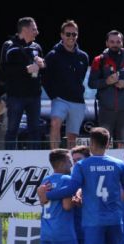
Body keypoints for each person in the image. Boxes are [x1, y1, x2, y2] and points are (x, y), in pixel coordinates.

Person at [89, 30, 124, 148]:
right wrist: (106, 82)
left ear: (122, 43)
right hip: (105, 110)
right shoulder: (99, 60)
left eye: (118, 42)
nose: (115, 44)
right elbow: (91, 83)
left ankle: (122, 167)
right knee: (104, 145)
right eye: (112, 42)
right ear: (107, 43)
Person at [44, 20, 89, 149]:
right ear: (62, 35)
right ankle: (55, 154)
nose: (71, 37)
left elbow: (81, 78)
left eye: (74, 34)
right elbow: (45, 78)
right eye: (68, 34)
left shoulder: (83, 57)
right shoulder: (53, 55)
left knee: (72, 136)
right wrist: (53, 95)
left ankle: (71, 160)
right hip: (60, 99)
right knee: (55, 123)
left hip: (78, 101)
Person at [3, 17, 45, 150]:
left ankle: (35, 158)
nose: (37, 32)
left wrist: (42, 65)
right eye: (34, 29)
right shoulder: (9, 46)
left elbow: (43, 69)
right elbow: (4, 69)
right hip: (16, 96)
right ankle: (9, 158)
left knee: (35, 130)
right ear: (25, 29)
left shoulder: (36, 47)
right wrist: (25, 69)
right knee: (12, 129)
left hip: (34, 95)